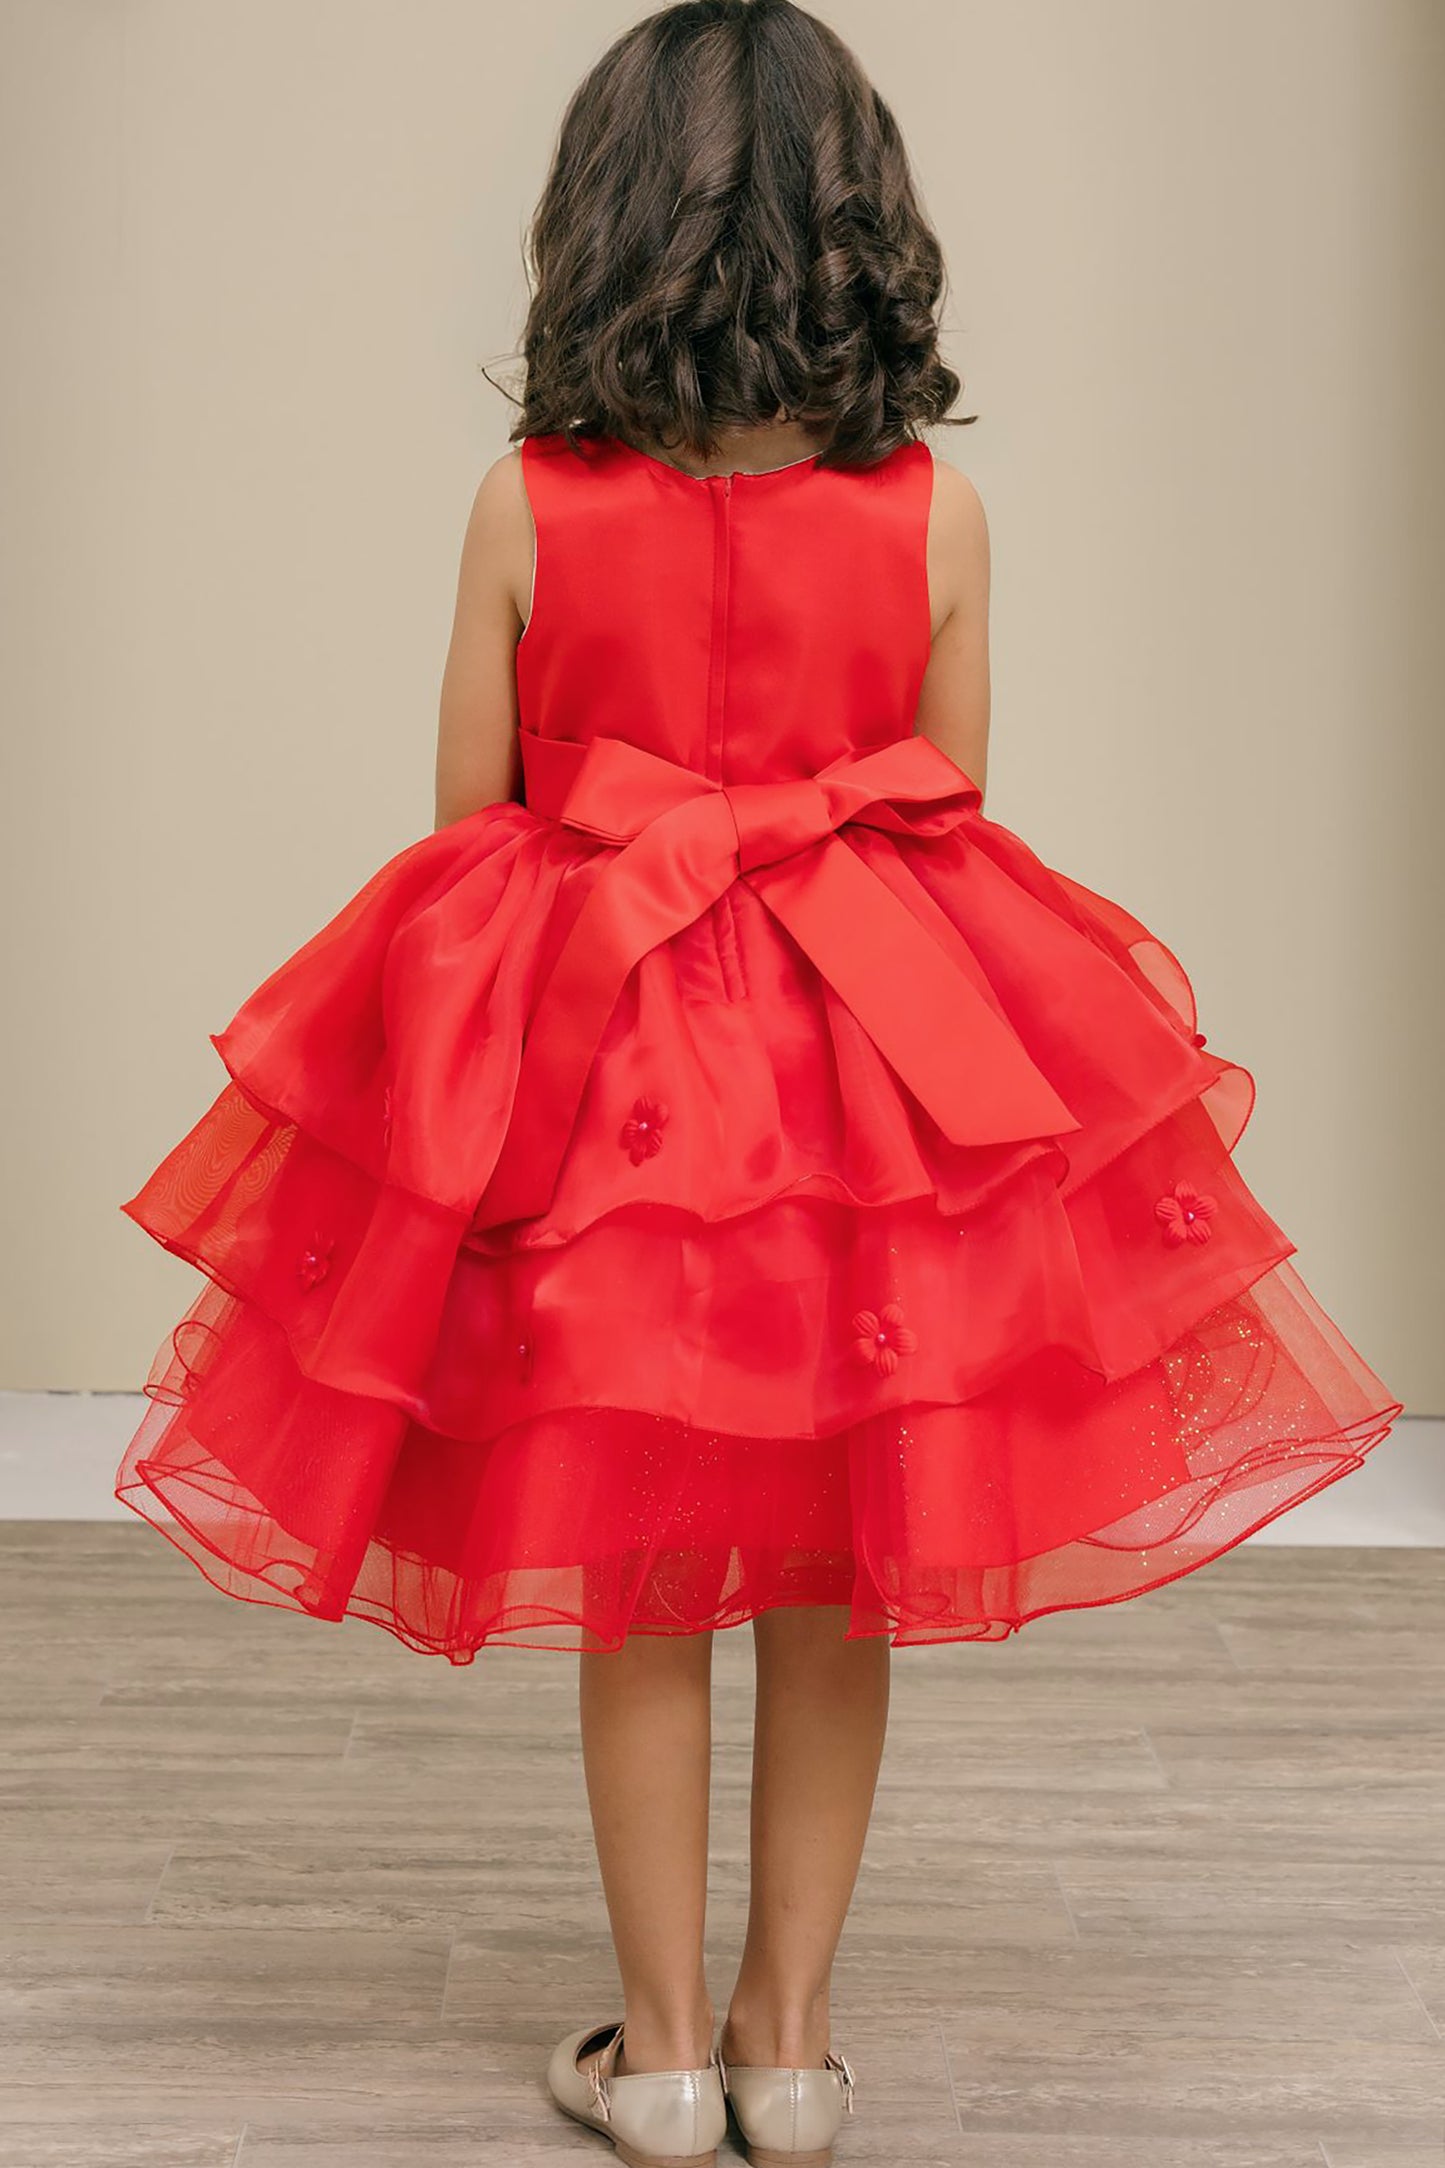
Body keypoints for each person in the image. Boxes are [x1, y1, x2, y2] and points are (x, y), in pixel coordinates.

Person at [114, 3, 1404, 2162]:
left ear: (601, 231)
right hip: (867, 1079)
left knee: (642, 1571)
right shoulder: (945, 513)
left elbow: (469, 831)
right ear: (862, 232)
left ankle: (663, 2055)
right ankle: (792, 2049)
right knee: (835, 1566)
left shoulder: (523, 501)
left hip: (613, 1088)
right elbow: (952, 803)